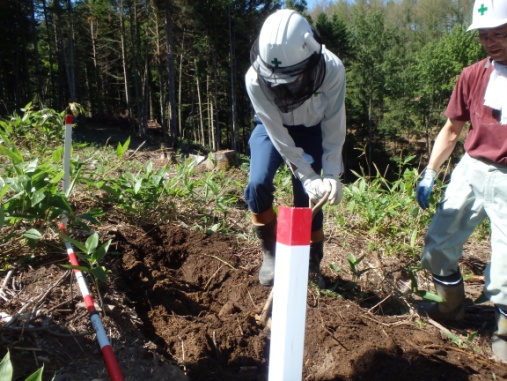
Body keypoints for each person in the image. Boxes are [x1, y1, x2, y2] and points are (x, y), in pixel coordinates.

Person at [415, 0, 507, 362]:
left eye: (498, 33)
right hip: (470, 168)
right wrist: (431, 171)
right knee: (438, 245)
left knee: (505, 267)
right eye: (484, 36)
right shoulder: (473, 75)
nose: (490, 42)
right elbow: (452, 128)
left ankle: (503, 330)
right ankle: (451, 308)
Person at [244, 9, 346, 288]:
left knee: (307, 199)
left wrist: (331, 173)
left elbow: (334, 123)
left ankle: (310, 261)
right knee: (257, 183)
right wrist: (306, 173)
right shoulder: (254, 79)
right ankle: (271, 253)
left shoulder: (332, 69)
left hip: (312, 129)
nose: (286, 85)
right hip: (272, 128)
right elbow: (277, 133)